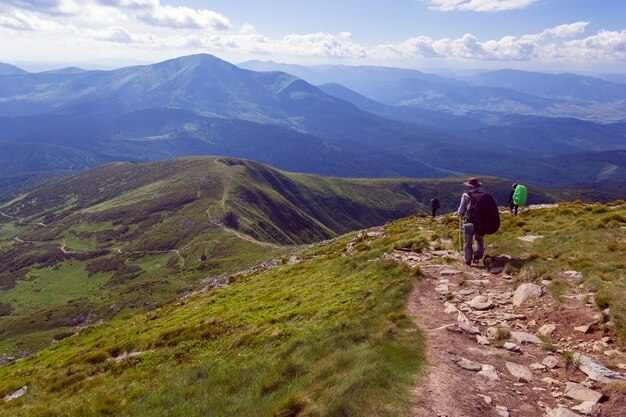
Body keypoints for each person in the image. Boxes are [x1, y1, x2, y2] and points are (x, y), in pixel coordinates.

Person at [457, 177, 484, 266]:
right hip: (480, 222)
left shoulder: (466, 195)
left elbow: (461, 210)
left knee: (467, 242)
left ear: (469, 186)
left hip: (469, 221)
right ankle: (477, 257)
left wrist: (460, 213)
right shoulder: (483, 195)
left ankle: (467, 260)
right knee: (479, 239)